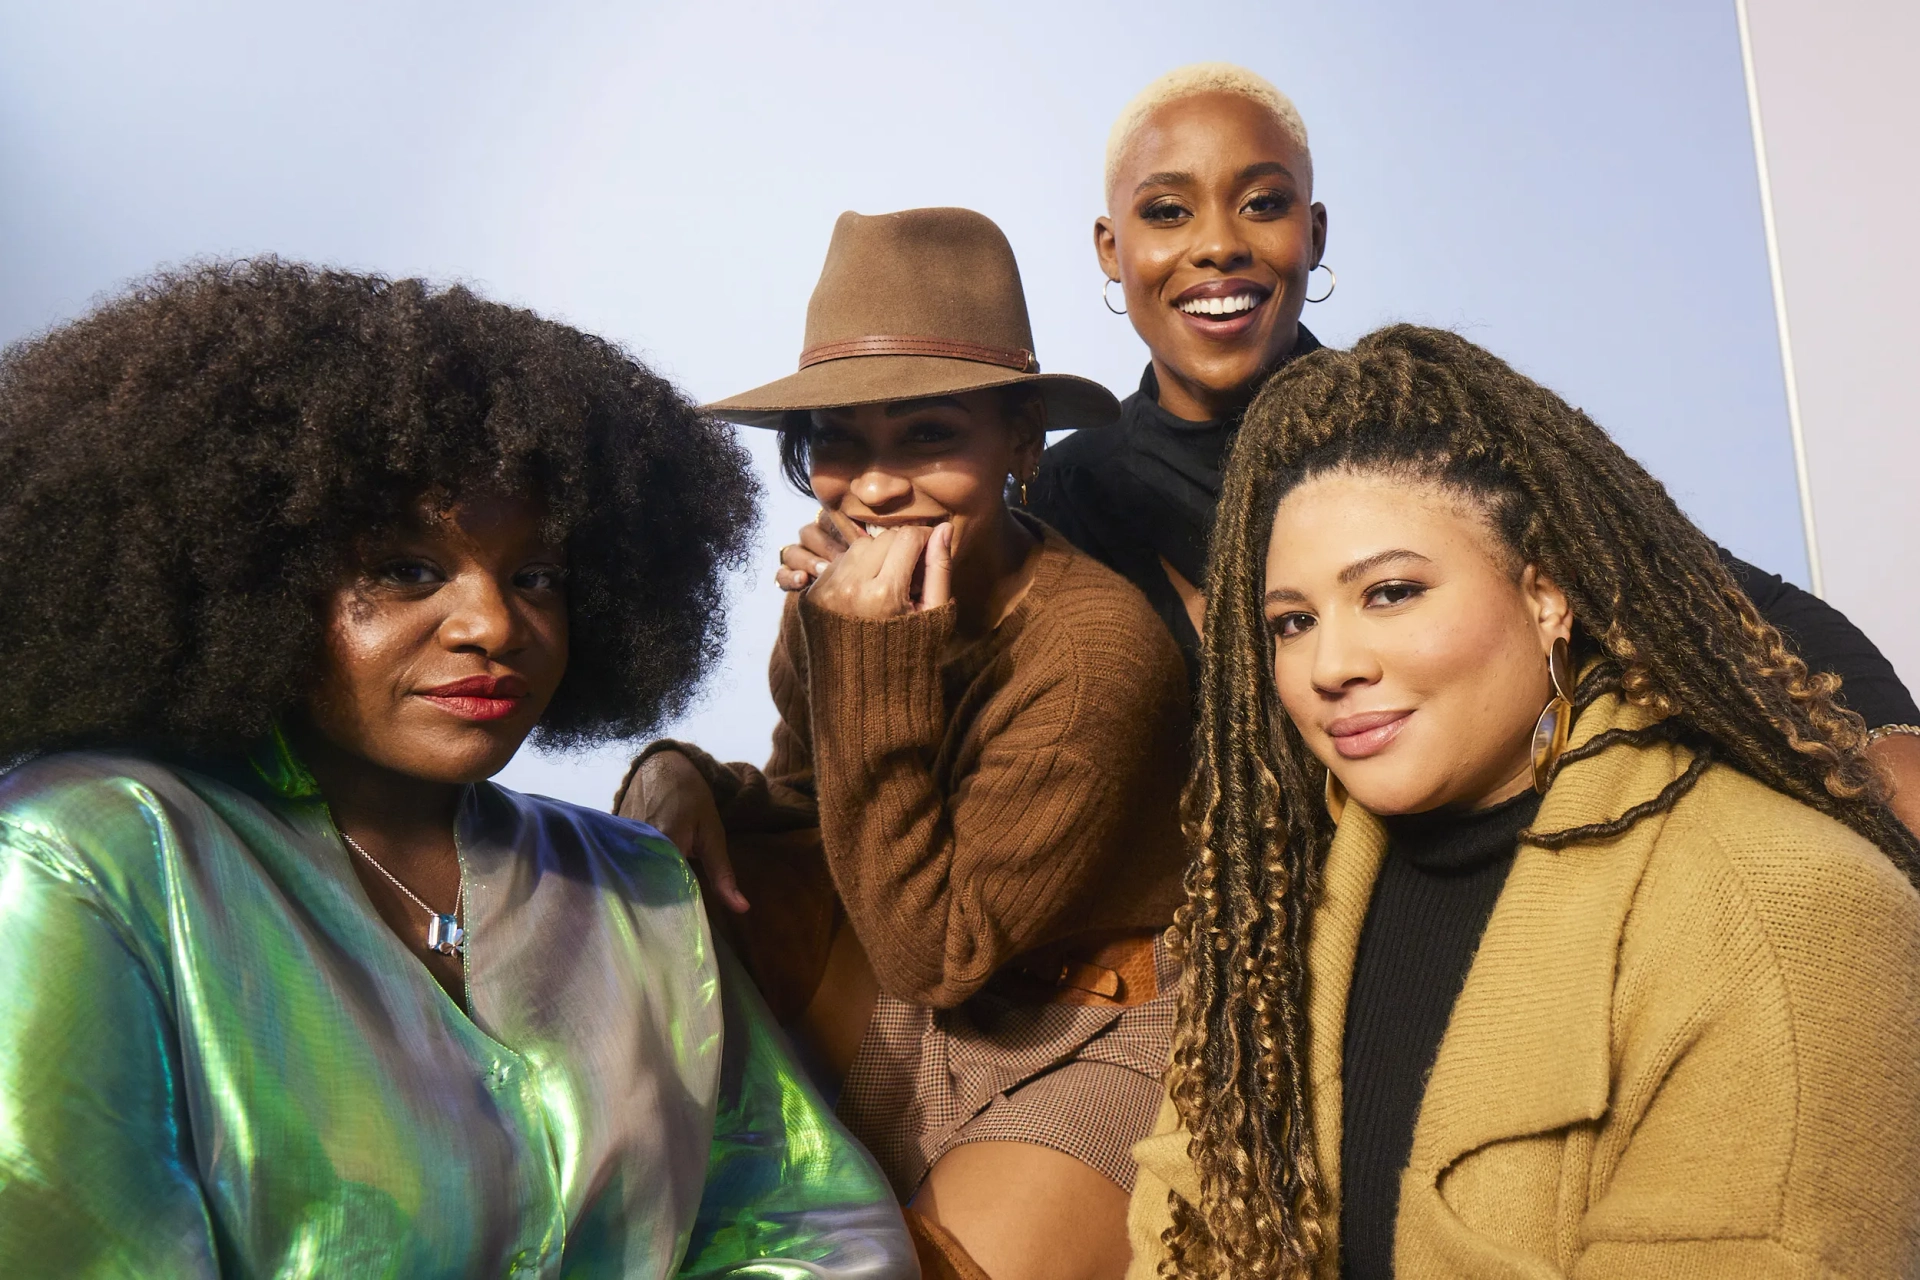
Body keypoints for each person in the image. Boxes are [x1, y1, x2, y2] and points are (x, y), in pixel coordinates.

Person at [0, 260, 914, 1278]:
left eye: (537, 576)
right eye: (407, 569)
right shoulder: (88, 855)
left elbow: (810, 1225)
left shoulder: (638, 886)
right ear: (250, 574)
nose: (493, 624)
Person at [774, 62, 1920, 834]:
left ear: (1310, 232)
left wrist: (1885, 745)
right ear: (1111, 249)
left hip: (1546, 850)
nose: (1216, 246)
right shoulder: (1072, 492)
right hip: (1265, 946)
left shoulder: (1434, 421)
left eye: (1261, 203)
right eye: (1169, 214)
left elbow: (1703, 590)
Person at [1124, 325, 1920, 1279]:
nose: (1329, 666)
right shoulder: (1273, 918)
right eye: (1292, 622)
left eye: (1390, 593)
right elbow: (1175, 1243)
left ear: (1546, 596)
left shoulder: (1791, 906)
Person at [619, 207, 1191, 1280]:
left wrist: (872, 656)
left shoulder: (1098, 653)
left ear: (1021, 440)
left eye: (928, 434)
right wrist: (678, 771)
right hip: (911, 982)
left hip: (1090, 1021)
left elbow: (937, 952)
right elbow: (810, 800)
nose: (874, 486)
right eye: (837, 441)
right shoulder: (841, 597)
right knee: (629, 877)